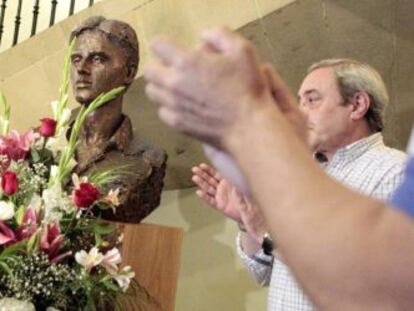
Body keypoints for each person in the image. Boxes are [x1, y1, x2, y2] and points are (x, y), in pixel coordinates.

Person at [144, 27, 414, 309]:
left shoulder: (393, 172)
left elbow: (373, 285)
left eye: (312, 99)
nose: (300, 111)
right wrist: (246, 221)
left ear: (357, 105)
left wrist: (263, 230)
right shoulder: (304, 170)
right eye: (299, 100)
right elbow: (262, 273)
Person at [69, 16, 166, 223]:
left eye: (97, 59)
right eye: (76, 59)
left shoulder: (147, 160)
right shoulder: (47, 148)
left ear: (129, 72)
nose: (81, 69)